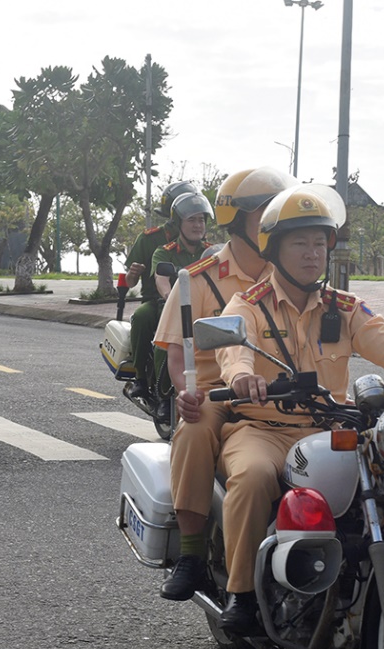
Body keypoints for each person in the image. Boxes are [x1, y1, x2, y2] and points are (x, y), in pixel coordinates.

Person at [213, 184, 384, 634]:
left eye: (320, 242)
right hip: (263, 428)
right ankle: (241, 594)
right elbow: (234, 347)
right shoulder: (249, 304)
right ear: (274, 248)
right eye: (300, 242)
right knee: (255, 475)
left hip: (331, 430)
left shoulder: (344, 307)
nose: (312, 253)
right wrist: (242, 375)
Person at [152, 166, 296, 601]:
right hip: (217, 392)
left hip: (280, 393)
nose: (276, 225)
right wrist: (187, 392)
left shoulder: (291, 274)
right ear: (237, 222)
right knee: (194, 429)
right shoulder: (196, 279)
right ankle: (193, 555)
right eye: (265, 216)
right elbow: (177, 355)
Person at [135, 191, 213, 403]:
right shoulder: (164, 251)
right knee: (160, 332)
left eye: (201, 220)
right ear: (178, 224)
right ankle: (157, 391)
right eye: (191, 220)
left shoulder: (212, 252)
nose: (197, 225)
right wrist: (173, 298)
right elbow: (161, 278)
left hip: (205, 306)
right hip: (170, 304)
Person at [123, 181, 199, 398]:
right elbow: (129, 282)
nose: (195, 222)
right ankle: (139, 377)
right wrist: (133, 274)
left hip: (194, 300)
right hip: (155, 299)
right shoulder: (150, 240)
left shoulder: (199, 242)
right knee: (141, 317)